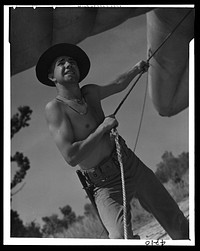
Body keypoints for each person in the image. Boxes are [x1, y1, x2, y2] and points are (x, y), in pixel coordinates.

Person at [36, 43, 189, 239]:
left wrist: (136, 69)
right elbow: (71, 156)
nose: (68, 65)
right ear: (51, 76)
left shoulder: (90, 92)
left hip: (129, 163)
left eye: (72, 62)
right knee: (118, 238)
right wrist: (102, 128)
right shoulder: (55, 109)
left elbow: (117, 84)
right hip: (105, 184)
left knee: (176, 221)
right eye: (61, 63)